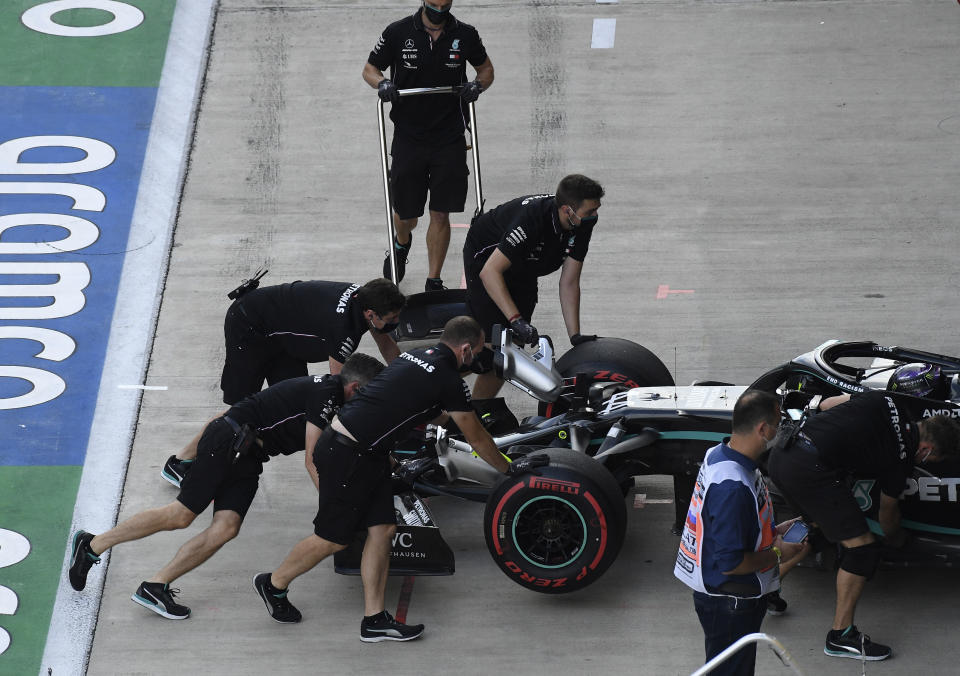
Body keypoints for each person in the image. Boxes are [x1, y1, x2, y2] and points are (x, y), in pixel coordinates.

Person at [252, 316, 515, 641]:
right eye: (476, 352)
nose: (476, 359)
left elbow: (422, 407)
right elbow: (476, 437)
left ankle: (374, 620)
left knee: (383, 529)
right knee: (334, 538)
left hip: (367, 452)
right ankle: (274, 583)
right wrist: (510, 470)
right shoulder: (448, 377)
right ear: (464, 350)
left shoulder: (416, 356)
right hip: (347, 454)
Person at [66, 354, 385, 619]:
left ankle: (155, 585)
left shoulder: (332, 393)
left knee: (226, 527)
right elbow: (313, 457)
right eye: (369, 396)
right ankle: (93, 545)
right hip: (227, 440)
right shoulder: (327, 394)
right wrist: (333, 504)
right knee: (180, 515)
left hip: (248, 454)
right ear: (355, 387)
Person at [768, 390, 960, 661]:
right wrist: (897, 540)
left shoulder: (888, 400)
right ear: (926, 450)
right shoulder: (900, 458)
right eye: (930, 461)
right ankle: (841, 636)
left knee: (818, 525)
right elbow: (887, 514)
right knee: (862, 550)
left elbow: (827, 403)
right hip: (811, 470)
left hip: (783, 454)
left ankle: (766, 588)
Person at [159, 278, 405, 485]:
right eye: (392, 319)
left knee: (292, 402)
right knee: (240, 412)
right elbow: (339, 389)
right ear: (370, 314)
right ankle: (179, 462)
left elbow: (386, 344)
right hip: (250, 326)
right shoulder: (343, 326)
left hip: (283, 339)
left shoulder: (367, 299)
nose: (394, 324)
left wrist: (408, 381)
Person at [675, 390, 809, 676]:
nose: (781, 429)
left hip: (726, 598)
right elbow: (732, 563)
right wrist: (777, 553)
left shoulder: (720, 454)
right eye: (779, 422)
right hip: (730, 603)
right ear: (763, 429)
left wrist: (774, 531)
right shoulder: (732, 487)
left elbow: (736, 524)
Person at [363, 1, 494, 292]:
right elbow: (370, 69)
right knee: (406, 215)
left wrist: (477, 86)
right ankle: (401, 242)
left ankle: (434, 280)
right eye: (433, 5)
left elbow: (486, 70)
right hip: (410, 136)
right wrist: (382, 83)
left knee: (440, 212)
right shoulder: (397, 33)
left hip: (449, 136)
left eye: (444, 5)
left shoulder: (466, 35)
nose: (438, 10)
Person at [462, 174, 604, 398]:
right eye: (590, 211)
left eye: (596, 209)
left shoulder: (582, 222)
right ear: (568, 210)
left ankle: (481, 408)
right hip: (487, 261)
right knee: (489, 352)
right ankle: (440, 376)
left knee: (513, 347)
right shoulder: (532, 220)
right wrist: (515, 319)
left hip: (523, 264)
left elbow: (569, 281)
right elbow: (489, 272)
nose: (595, 216)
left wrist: (574, 335)